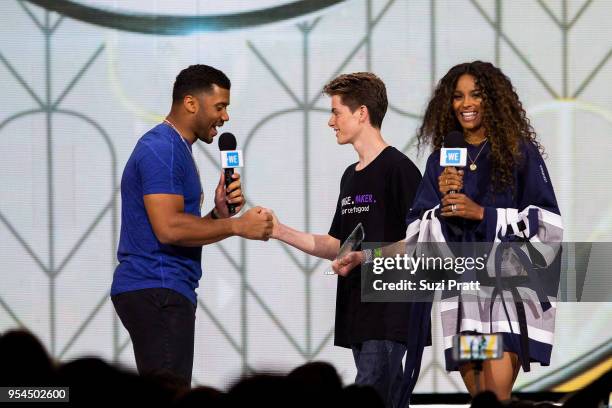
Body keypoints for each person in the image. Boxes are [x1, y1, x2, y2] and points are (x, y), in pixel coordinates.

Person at [271, 72, 430, 408]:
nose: (331, 122)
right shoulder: (350, 175)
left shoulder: (398, 169)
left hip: (389, 311)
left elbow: (422, 241)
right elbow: (337, 243)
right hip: (358, 311)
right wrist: (278, 230)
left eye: (336, 112)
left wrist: (365, 258)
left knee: (370, 396)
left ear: (361, 113)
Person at [406, 61, 562, 400]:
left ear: (492, 100)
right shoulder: (440, 162)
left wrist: (484, 215)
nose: (466, 104)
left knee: (497, 396)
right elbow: (417, 234)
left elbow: (548, 225)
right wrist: (443, 211)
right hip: (465, 304)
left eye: (476, 95)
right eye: (458, 96)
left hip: (507, 297)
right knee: (482, 400)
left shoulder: (520, 153)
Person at [111, 64, 273, 386]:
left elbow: (176, 228)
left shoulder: (175, 149)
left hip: (163, 287)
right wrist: (238, 226)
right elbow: (169, 229)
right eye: (220, 107)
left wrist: (218, 214)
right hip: (157, 288)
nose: (225, 117)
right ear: (190, 103)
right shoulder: (163, 148)